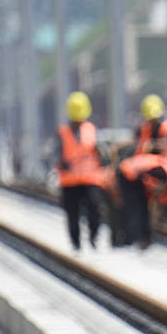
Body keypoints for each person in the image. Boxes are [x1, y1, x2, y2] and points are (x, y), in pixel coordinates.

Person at [117, 94, 167, 248]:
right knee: (138, 204)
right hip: (144, 172)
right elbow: (140, 148)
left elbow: (166, 148)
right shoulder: (146, 128)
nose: (153, 122)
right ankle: (139, 237)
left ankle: (143, 235)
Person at [55, 91, 107, 252]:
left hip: (91, 179)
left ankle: (93, 237)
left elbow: (99, 152)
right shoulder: (62, 132)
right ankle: (76, 243)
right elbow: (56, 154)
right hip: (70, 181)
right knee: (72, 214)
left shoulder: (91, 129)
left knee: (95, 207)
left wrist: (102, 154)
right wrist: (61, 163)